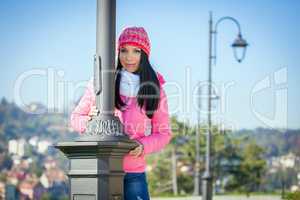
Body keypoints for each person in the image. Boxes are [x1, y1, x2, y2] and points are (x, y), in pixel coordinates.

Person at [70, 26, 172, 200]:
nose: (129, 57)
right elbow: (75, 119)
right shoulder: (100, 82)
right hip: (101, 169)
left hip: (134, 174)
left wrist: (142, 146)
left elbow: (163, 133)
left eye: (136, 51)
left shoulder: (155, 89)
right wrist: (90, 121)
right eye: (124, 50)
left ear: (144, 54)